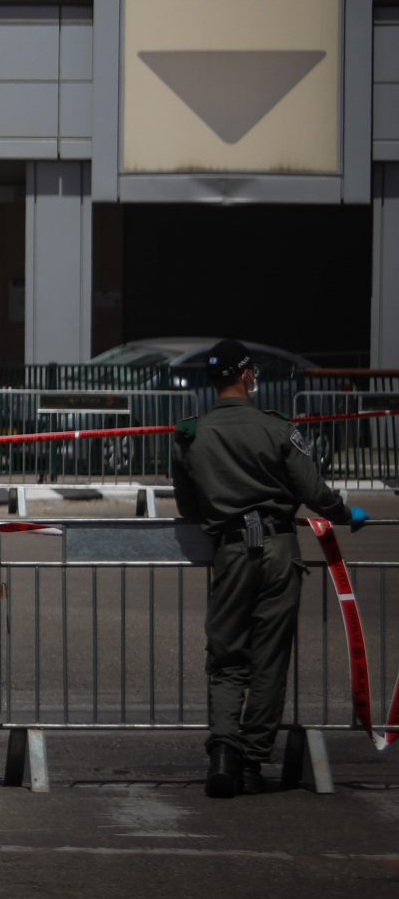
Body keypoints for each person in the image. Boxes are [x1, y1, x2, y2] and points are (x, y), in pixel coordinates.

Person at [172, 338, 370, 797]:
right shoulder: (278, 428)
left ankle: (223, 754)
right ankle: (251, 762)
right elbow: (314, 491)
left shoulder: (190, 434)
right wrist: (345, 513)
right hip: (279, 549)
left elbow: (187, 505)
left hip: (231, 551)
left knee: (227, 657)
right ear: (246, 375)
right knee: (269, 660)